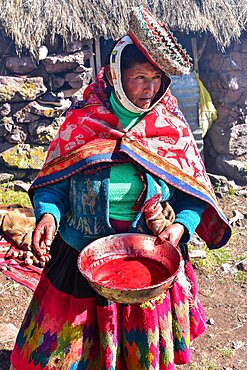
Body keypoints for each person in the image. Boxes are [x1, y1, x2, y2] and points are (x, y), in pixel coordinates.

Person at [10, 6, 231, 370]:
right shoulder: (84, 122)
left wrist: (180, 228)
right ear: (115, 75)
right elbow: (54, 185)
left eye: (157, 77)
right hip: (82, 248)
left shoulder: (169, 127)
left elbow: (194, 196)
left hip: (147, 256)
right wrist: (48, 215)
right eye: (140, 76)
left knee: (139, 353)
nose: (149, 88)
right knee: (64, 355)